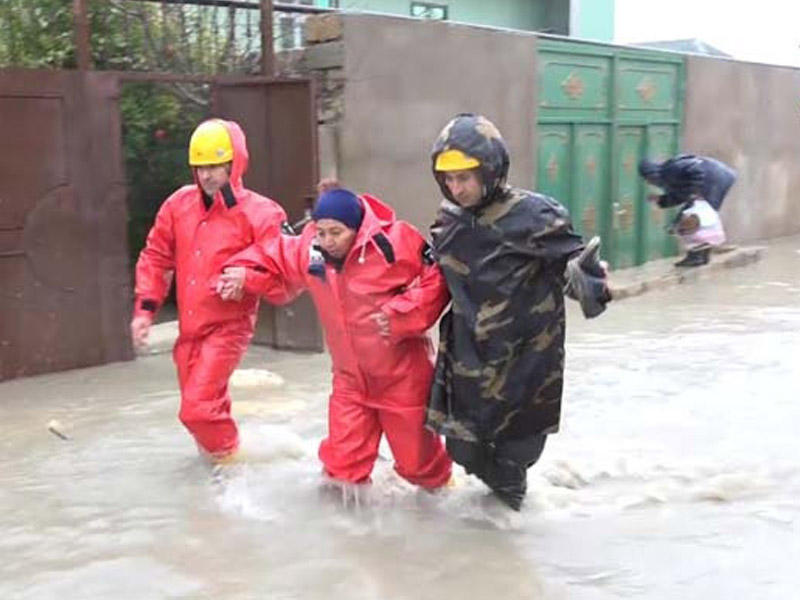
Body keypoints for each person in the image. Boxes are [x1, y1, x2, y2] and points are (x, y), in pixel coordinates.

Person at [426, 113, 611, 511]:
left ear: (490, 169)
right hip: (468, 358)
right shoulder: (449, 221)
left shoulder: (536, 215)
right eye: (449, 179)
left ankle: (511, 532)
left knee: (515, 458)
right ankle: (500, 520)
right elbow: (431, 271)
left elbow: (574, 263)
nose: (457, 189)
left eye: (465, 178)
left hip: (525, 362)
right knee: (462, 450)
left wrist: (587, 279)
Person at [217, 184, 453, 491]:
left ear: (356, 229)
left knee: (421, 469)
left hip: (403, 379)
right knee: (341, 473)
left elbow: (439, 278)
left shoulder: (394, 241)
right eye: (321, 232)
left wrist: (402, 313)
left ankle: (446, 518)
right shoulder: (311, 250)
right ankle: (354, 534)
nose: (327, 242)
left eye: (336, 233)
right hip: (350, 382)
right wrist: (242, 273)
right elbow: (273, 255)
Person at [131, 119, 287, 463]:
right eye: (200, 167)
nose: (206, 175)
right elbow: (156, 257)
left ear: (234, 164)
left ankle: (234, 469)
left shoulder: (261, 213)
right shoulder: (178, 206)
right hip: (190, 330)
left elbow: (285, 273)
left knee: (197, 410)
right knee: (201, 413)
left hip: (228, 326)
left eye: (215, 165)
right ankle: (220, 469)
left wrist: (247, 279)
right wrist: (145, 310)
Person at [638, 154, 737, 267]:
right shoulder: (671, 177)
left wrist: (695, 192)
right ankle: (702, 255)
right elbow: (681, 195)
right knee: (702, 218)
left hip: (715, 178)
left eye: (647, 179)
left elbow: (695, 170)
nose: (648, 182)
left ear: (652, 174)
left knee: (690, 218)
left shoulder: (671, 169)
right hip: (719, 178)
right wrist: (661, 199)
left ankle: (695, 256)